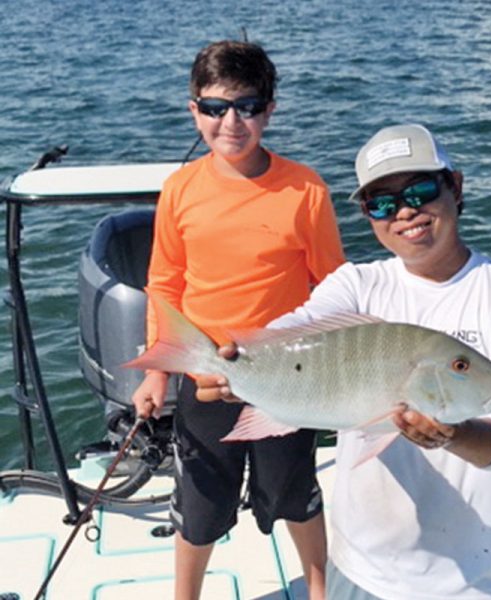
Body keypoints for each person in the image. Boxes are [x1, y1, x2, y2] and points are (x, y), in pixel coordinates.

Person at [196, 124, 491, 599]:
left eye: (421, 189)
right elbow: (296, 329)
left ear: (456, 186)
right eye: (382, 203)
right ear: (369, 216)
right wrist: (229, 364)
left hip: (475, 583)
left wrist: (456, 434)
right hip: (358, 571)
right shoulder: (355, 286)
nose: (406, 211)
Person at [132, 40, 345, 600]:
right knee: (199, 505)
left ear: (270, 109)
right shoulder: (180, 190)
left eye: (248, 106)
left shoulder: (306, 190)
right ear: (193, 110)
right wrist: (157, 373)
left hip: (287, 377)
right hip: (202, 377)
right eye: (215, 106)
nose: (232, 122)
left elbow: (334, 289)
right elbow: (165, 283)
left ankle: (318, 589)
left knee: (294, 491)